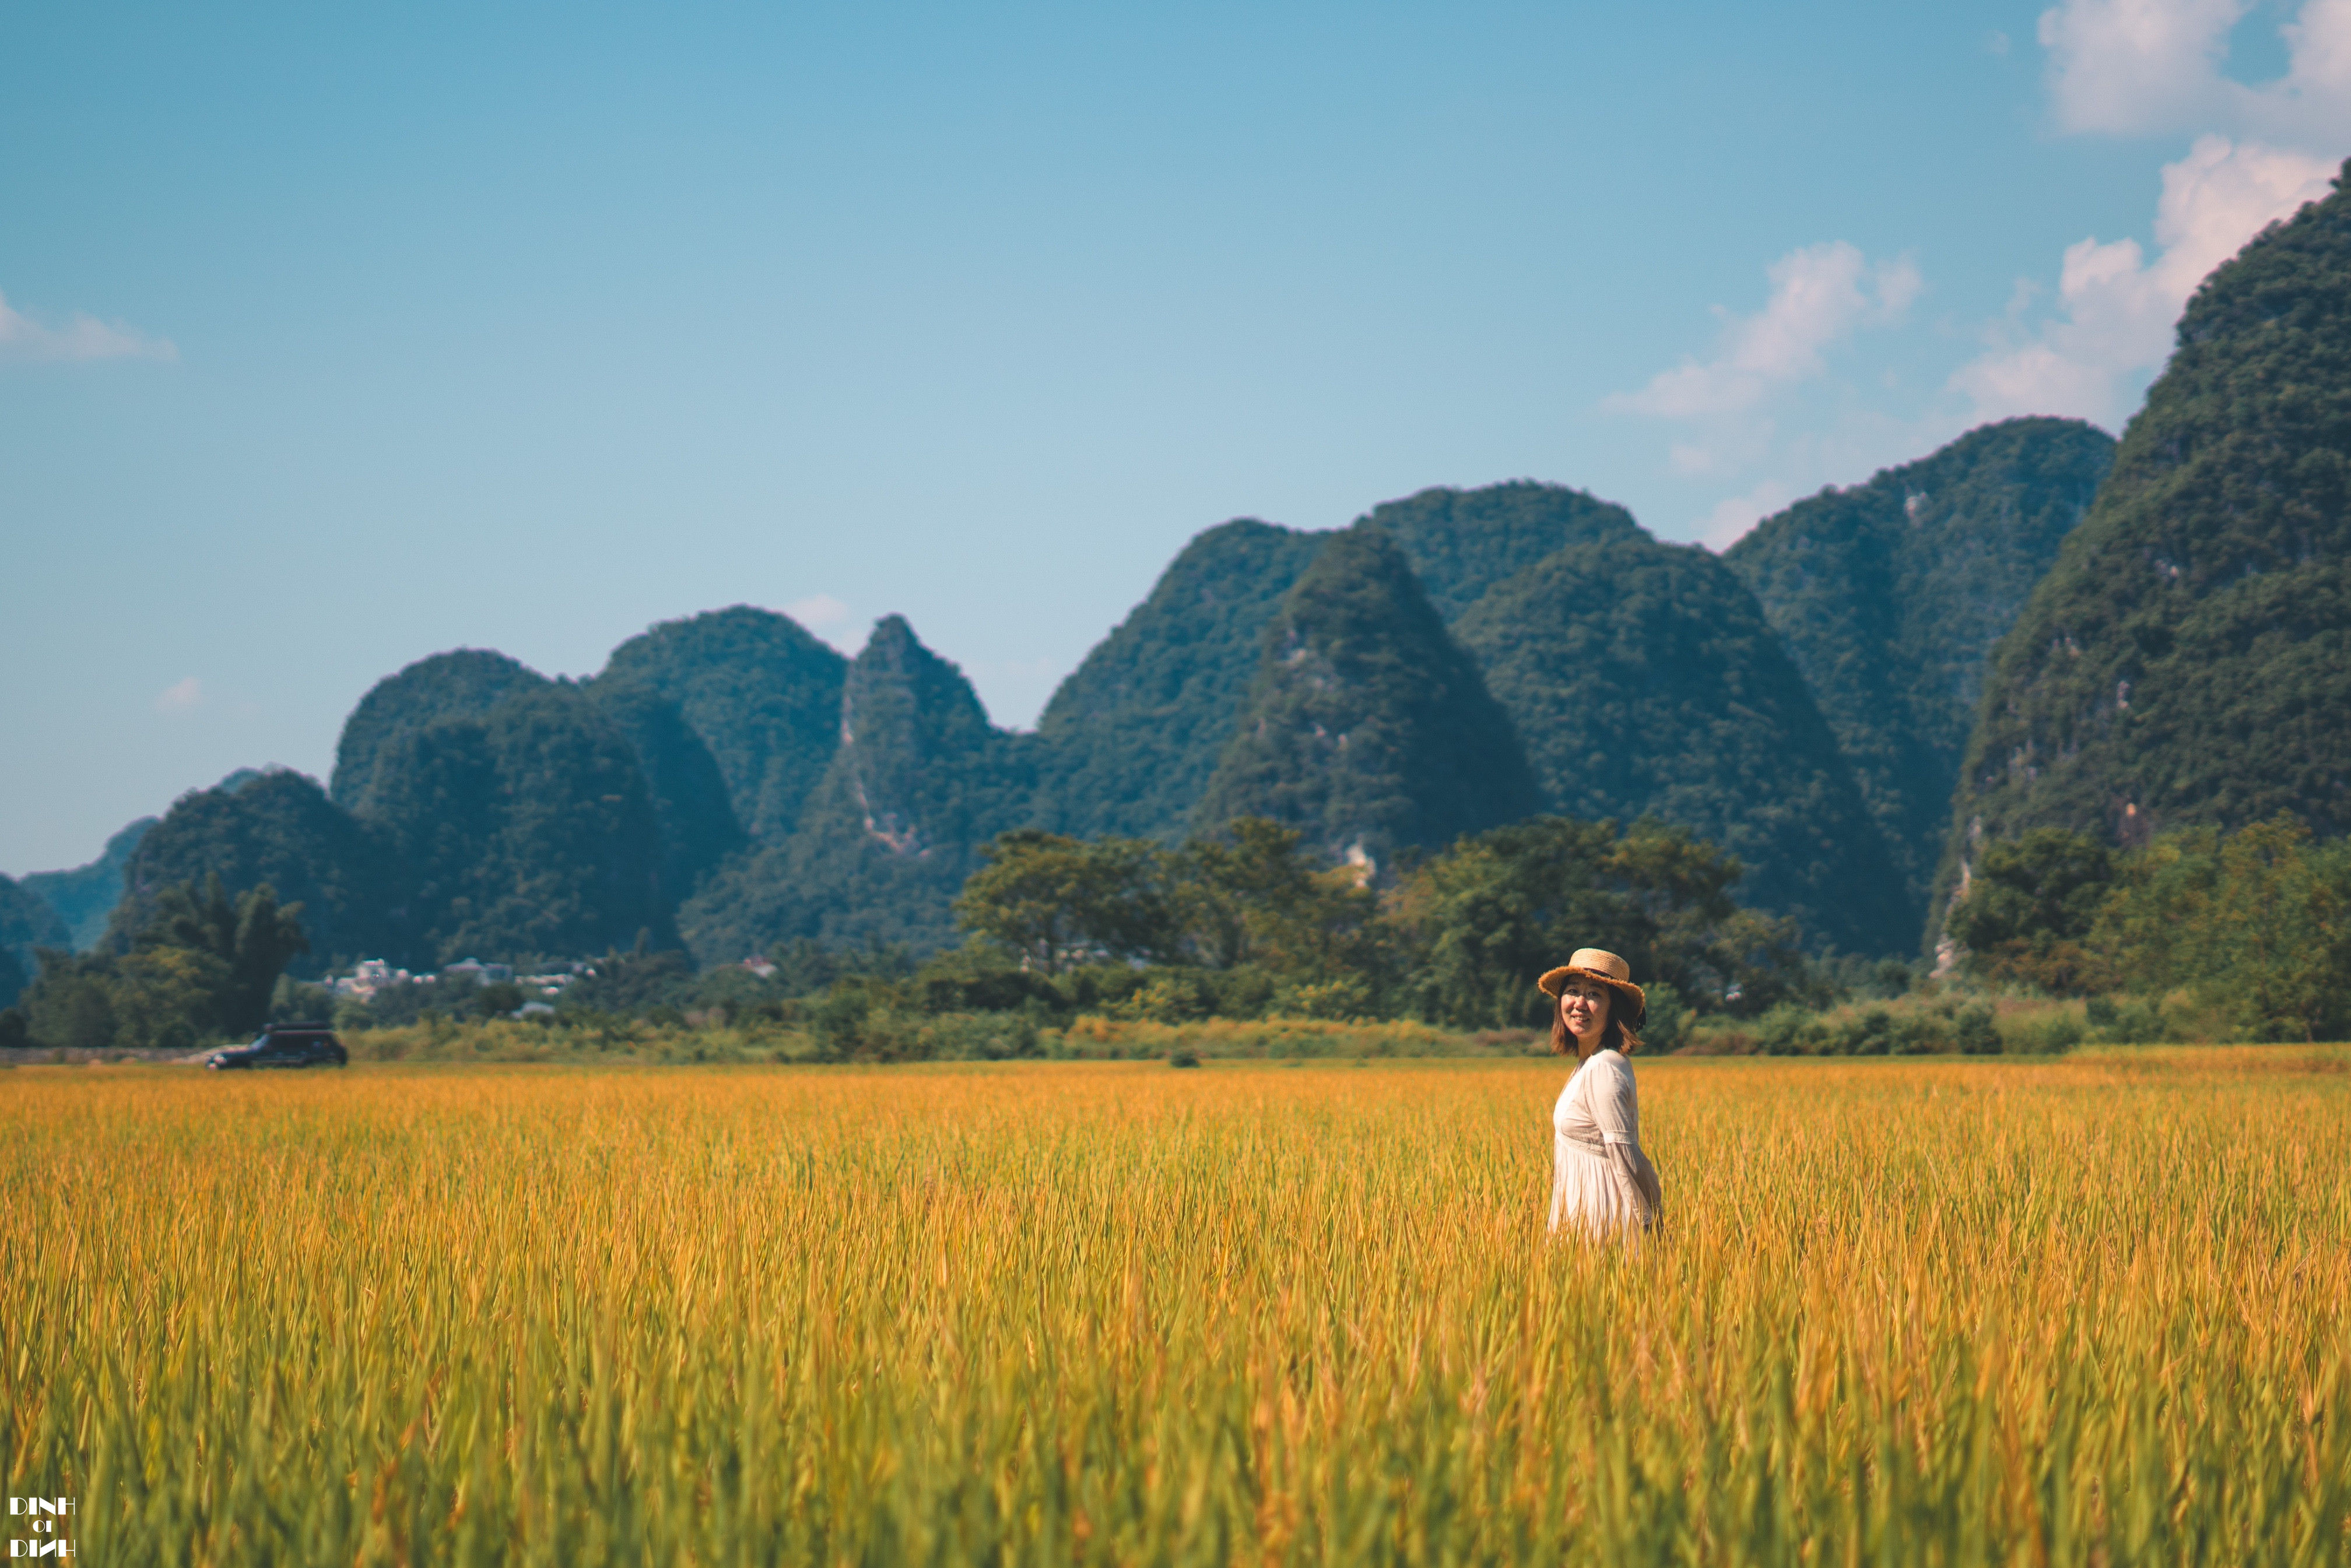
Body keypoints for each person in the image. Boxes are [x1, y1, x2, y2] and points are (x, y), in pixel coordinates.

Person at [1541, 948, 1662, 1240]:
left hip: (1601, 1223)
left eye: (1594, 995)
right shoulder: (1588, 1065)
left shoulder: (1604, 1068)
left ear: (1613, 1009)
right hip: (1581, 1219)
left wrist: (1652, 1228)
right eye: (1572, 991)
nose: (1580, 1003)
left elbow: (1627, 1154)